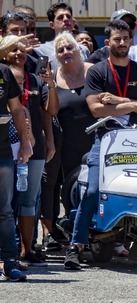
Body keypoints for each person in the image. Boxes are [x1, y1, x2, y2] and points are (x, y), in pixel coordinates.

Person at [63, 19, 137, 271]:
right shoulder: (96, 71)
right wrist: (134, 103)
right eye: (117, 39)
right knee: (93, 191)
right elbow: (96, 109)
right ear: (108, 42)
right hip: (106, 138)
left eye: (126, 39)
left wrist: (117, 100)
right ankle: (76, 245)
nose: (122, 43)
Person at [6, 36, 56, 267]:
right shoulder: (3, 76)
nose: (19, 54)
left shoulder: (35, 80)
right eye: (13, 50)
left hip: (33, 146)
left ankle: (27, 249)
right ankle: (9, 250)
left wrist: (49, 141)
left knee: (28, 200)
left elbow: (49, 111)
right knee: (7, 201)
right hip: (6, 144)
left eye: (22, 50)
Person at [48, 32, 95, 250]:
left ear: (79, 50)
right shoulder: (53, 77)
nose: (66, 52)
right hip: (65, 145)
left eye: (70, 48)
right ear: (56, 56)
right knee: (68, 191)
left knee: (96, 189)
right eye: (60, 50)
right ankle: (73, 237)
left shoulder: (94, 71)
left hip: (96, 142)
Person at [0, 41, 32, 280]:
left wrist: (24, 142)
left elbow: (17, 109)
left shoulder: (3, 72)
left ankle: (9, 262)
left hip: (2, 154)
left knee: (5, 212)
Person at [36, 3, 89, 70]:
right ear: (52, 25)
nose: (66, 19)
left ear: (73, 22)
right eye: (60, 17)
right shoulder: (41, 50)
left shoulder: (84, 49)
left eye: (68, 16)